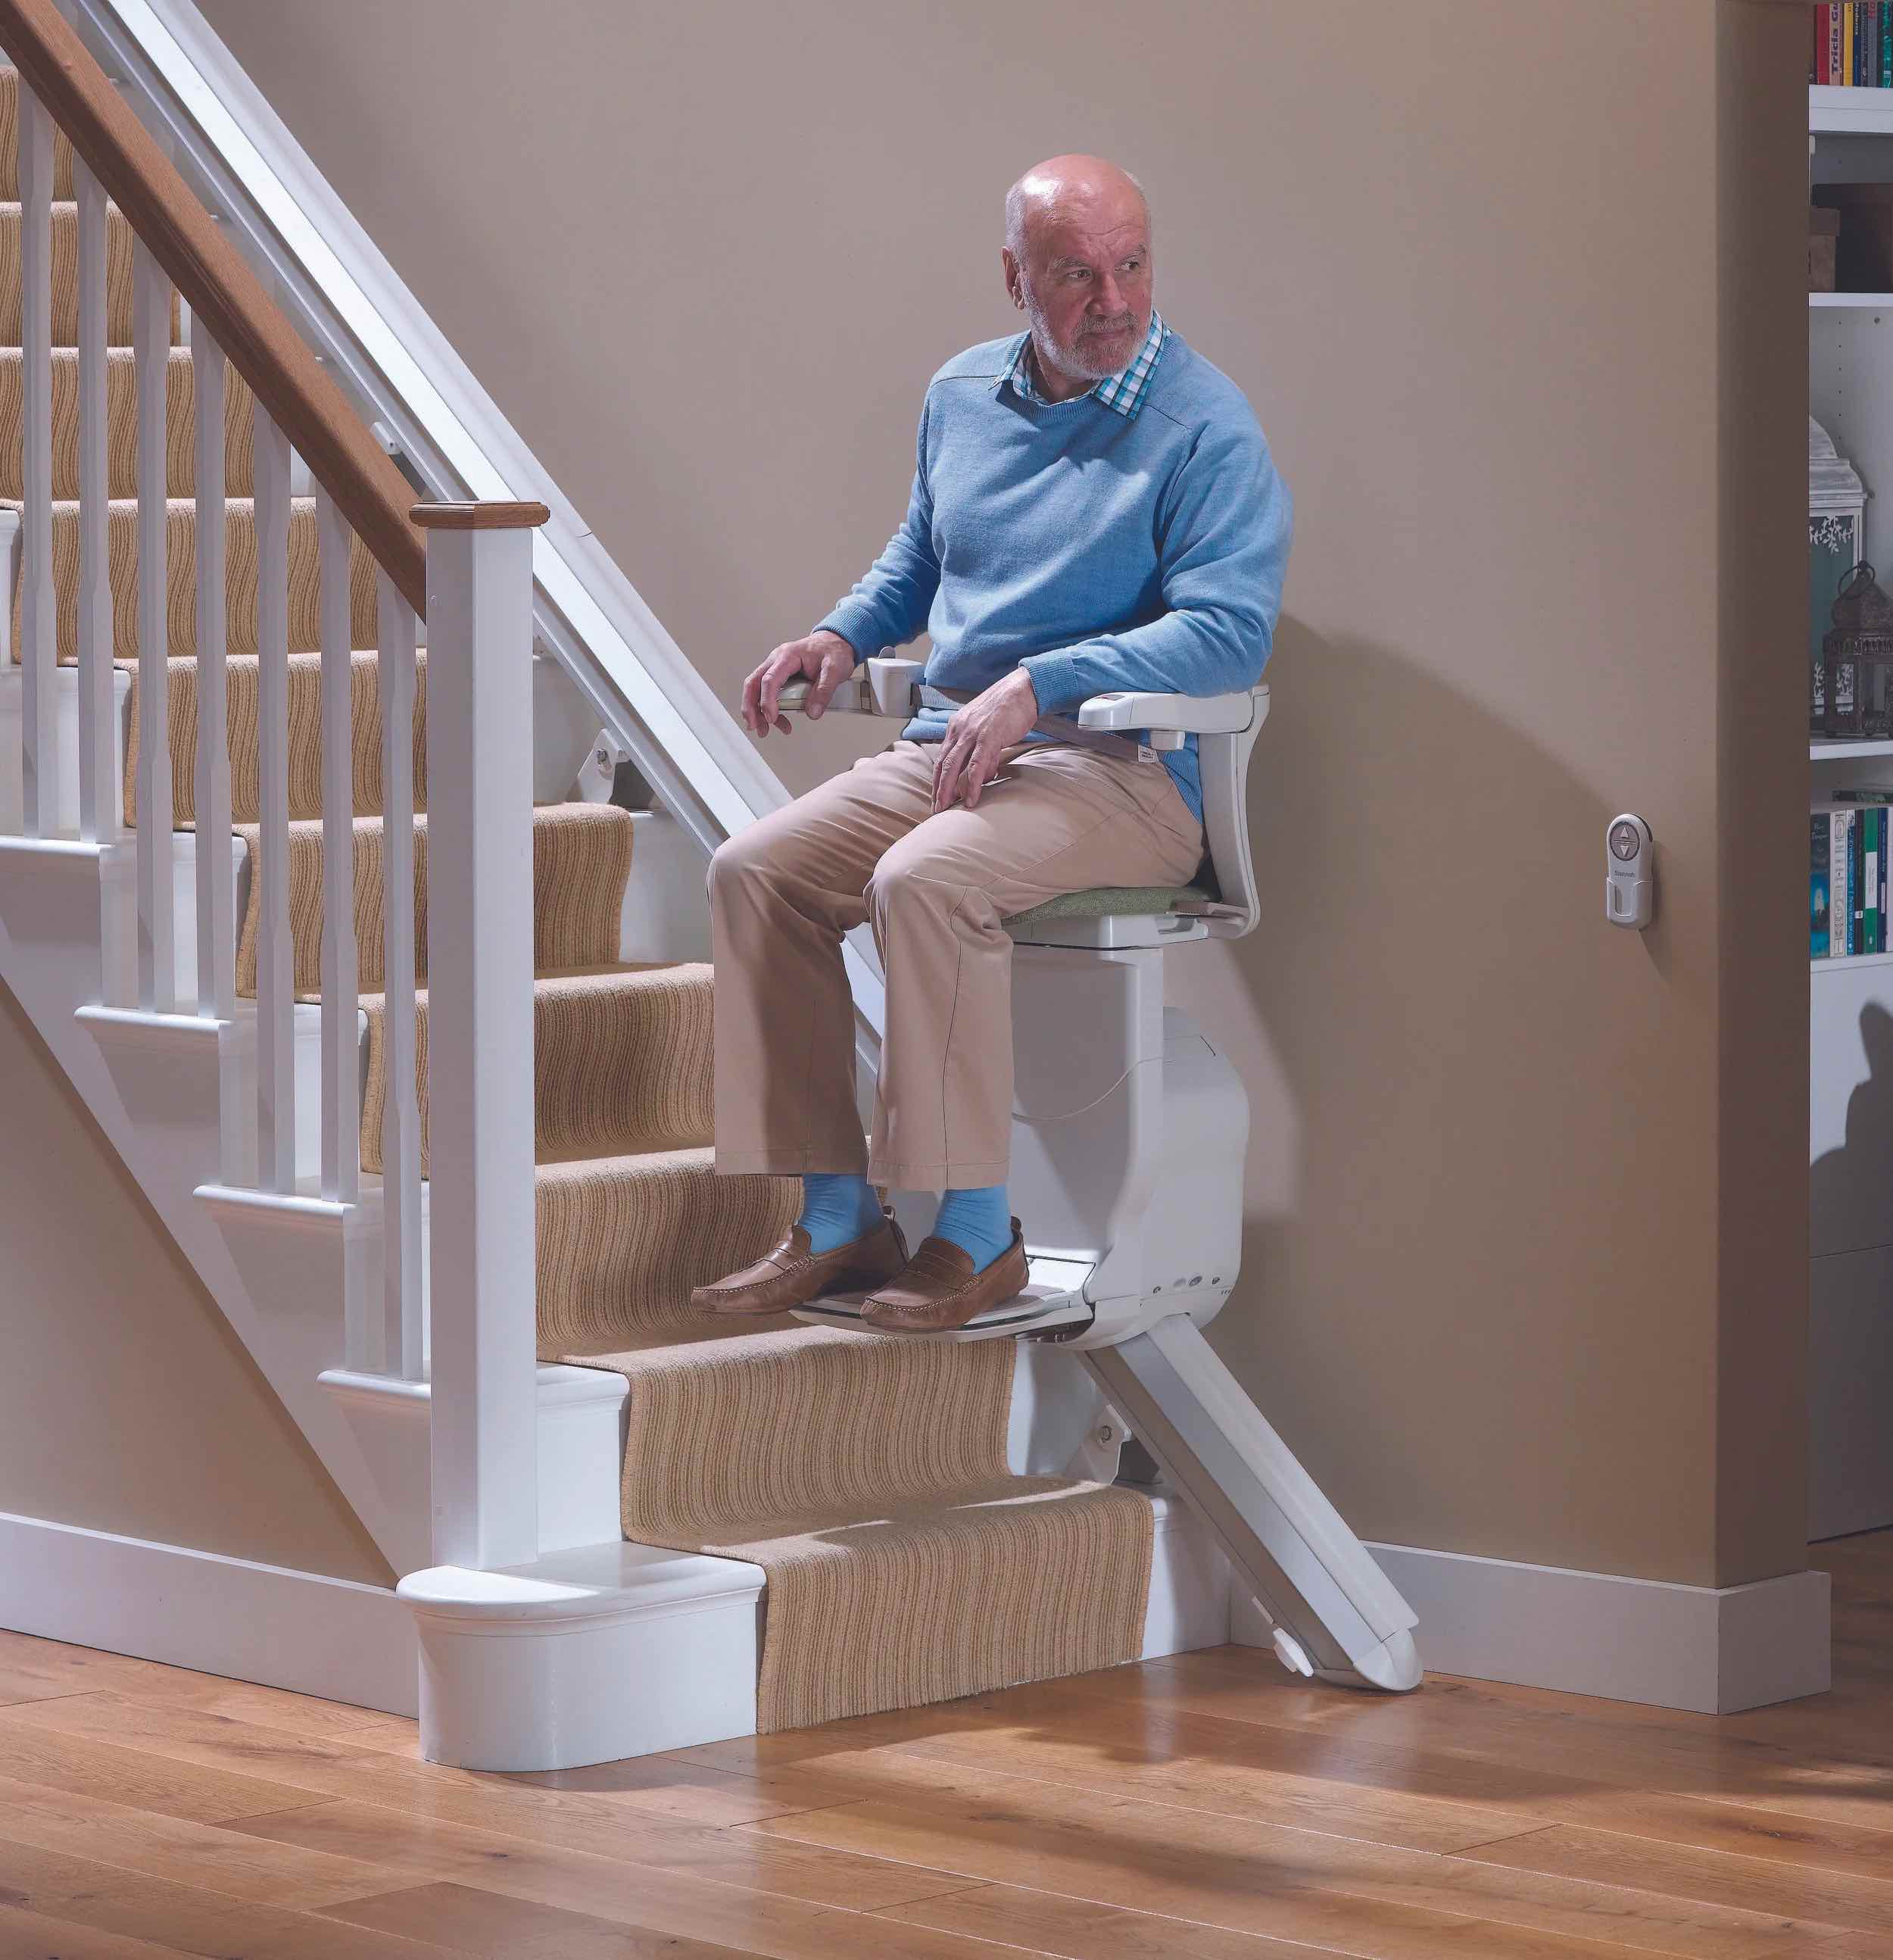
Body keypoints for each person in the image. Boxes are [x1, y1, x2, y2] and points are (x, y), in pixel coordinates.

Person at [691, 153, 1292, 1334]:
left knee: (924, 880)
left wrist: (1041, 682)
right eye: (1078, 274)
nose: (1113, 301)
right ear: (1014, 276)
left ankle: (975, 1235)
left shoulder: (1206, 430)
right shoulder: (963, 395)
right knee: (754, 874)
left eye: (1132, 267)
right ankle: (834, 1216)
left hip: (1123, 775)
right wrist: (840, 632)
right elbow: (923, 554)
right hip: (962, 753)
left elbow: (1228, 635)